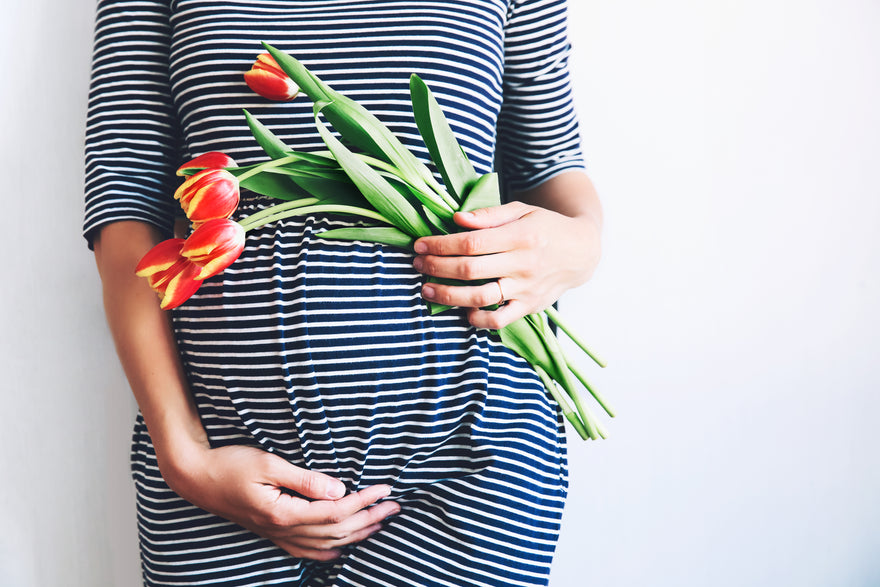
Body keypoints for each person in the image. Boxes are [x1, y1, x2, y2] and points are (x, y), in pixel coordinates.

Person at [85, 0, 602, 585]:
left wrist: (583, 245)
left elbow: (551, 165)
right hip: (219, 454)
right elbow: (123, 197)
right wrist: (183, 456)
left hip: (469, 448)